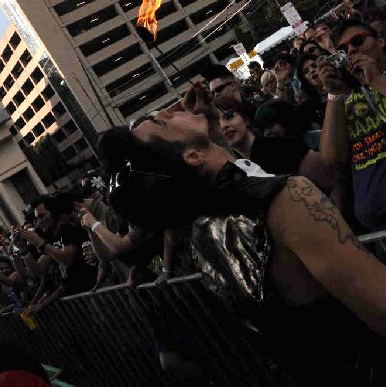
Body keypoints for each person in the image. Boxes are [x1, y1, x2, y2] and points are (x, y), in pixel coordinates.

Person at [101, 118, 386, 383]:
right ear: (192, 156)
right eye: (163, 121)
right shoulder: (287, 199)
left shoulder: (201, 232)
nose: (170, 110)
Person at [318, 18, 386, 234]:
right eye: (343, 49)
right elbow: (332, 159)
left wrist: (376, 79)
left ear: (381, 41)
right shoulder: (346, 100)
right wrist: (333, 94)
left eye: (357, 41)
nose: (352, 50)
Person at [296, 54, 327, 129]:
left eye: (314, 66)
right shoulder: (309, 106)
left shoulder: (341, 83)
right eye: (306, 71)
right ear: (304, 79)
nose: (311, 71)